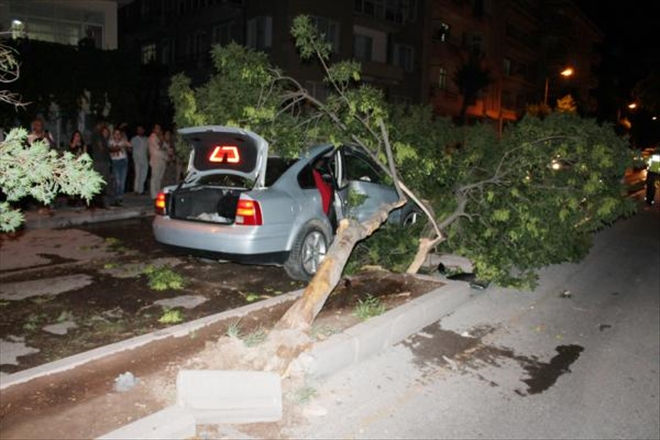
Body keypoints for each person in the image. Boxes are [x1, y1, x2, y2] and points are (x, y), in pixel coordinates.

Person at [89, 123, 114, 208]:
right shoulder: (97, 135)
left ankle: (100, 202)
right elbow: (102, 148)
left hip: (101, 161)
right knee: (103, 182)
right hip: (100, 162)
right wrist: (112, 149)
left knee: (103, 182)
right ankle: (102, 202)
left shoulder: (99, 136)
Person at [108, 127, 132, 206]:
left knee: (122, 180)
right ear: (113, 135)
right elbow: (111, 149)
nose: (117, 135)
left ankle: (120, 197)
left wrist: (127, 147)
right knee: (117, 180)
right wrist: (121, 146)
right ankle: (117, 196)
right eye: (116, 134)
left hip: (123, 161)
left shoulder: (123, 141)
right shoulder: (110, 142)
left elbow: (130, 147)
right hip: (115, 161)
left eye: (119, 134)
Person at [148, 124, 171, 199]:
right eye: (157, 128)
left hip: (162, 160)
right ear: (153, 130)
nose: (159, 130)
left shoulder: (159, 138)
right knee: (155, 178)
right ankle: (154, 195)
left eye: (159, 128)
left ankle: (157, 193)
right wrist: (162, 140)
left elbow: (167, 149)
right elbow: (160, 147)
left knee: (159, 178)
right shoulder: (152, 137)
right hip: (156, 160)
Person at [130, 125, 149, 194]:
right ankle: (136, 190)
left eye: (141, 129)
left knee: (144, 174)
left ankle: (141, 190)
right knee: (138, 175)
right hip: (137, 159)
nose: (139, 131)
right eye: (138, 130)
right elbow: (130, 148)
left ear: (143, 130)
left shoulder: (146, 139)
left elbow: (148, 150)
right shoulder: (134, 139)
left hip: (144, 159)